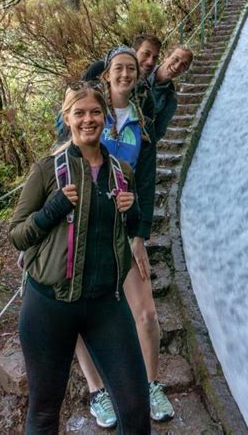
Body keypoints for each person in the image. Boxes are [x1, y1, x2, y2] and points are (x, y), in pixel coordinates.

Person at [9, 83, 150, 435]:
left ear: (105, 117)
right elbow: (18, 234)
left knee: (135, 412)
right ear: (67, 118)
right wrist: (53, 209)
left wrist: (132, 216)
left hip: (106, 305)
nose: (89, 119)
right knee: (44, 412)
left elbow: (128, 229)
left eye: (95, 112)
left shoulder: (122, 172)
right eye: (80, 113)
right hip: (49, 306)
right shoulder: (47, 170)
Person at [75, 46, 175, 427]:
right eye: (118, 68)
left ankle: (150, 383)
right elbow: (61, 153)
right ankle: (98, 391)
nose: (125, 74)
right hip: (83, 226)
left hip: (122, 227)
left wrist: (140, 234)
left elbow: (145, 181)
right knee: (78, 312)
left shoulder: (142, 122)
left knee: (147, 313)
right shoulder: (89, 112)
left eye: (131, 69)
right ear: (107, 73)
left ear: (139, 76)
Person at [147, 45, 194, 142]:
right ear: (166, 57)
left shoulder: (171, 100)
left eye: (184, 65)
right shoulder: (141, 72)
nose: (177, 66)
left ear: (185, 71)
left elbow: (158, 131)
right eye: (176, 59)